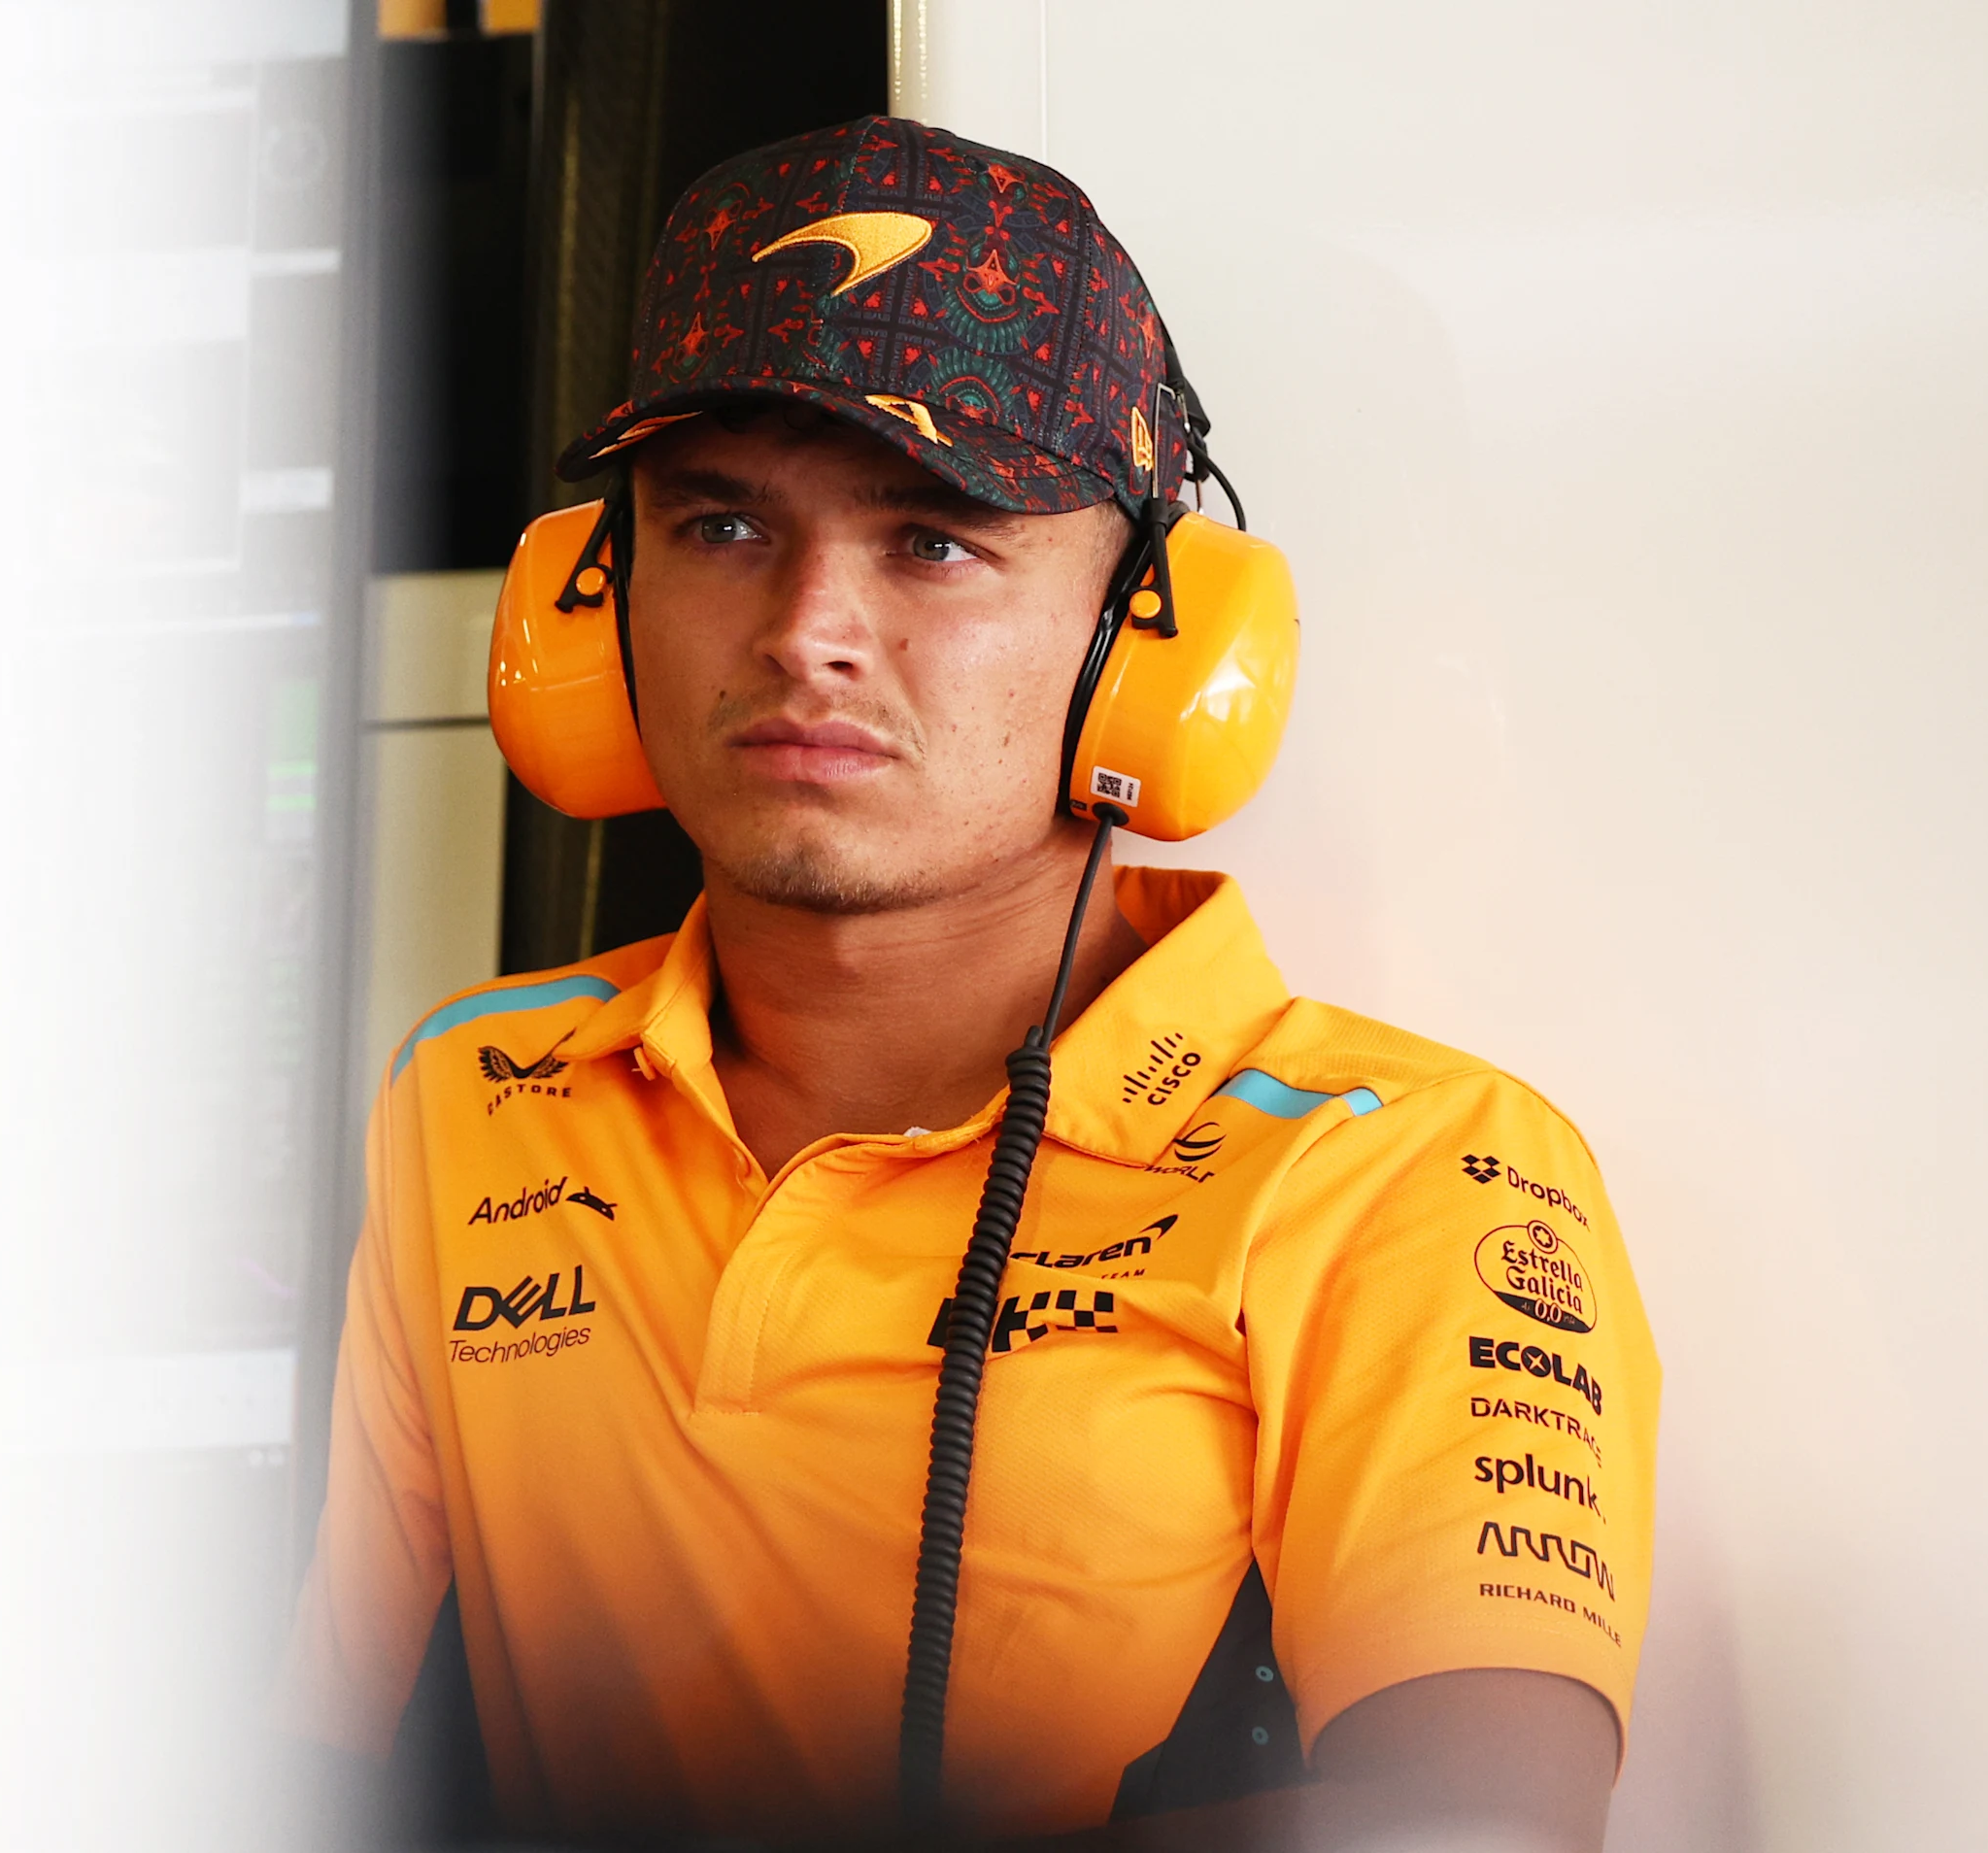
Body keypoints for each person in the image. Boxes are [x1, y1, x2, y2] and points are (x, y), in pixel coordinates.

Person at [283, 117, 1657, 1851]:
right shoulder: (469, 1097)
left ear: (1148, 640)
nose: (806, 630)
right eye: (715, 526)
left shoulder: (1410, 1167)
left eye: (935, 541)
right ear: (593, 598)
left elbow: (1475, 1829)